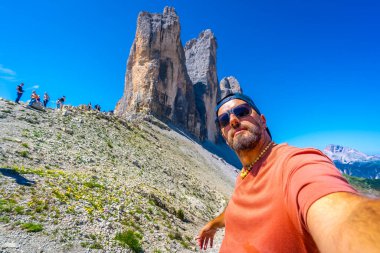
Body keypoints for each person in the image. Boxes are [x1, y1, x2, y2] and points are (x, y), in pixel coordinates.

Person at [197, 92, 380, 253]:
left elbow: (341, 214)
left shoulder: (295, 163)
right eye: (224, 121)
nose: (233, 121)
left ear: (262, 120)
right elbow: (236, 208)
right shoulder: (245, 173)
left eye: (242, 112)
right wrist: (214, 224)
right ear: (222, 134)